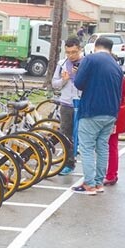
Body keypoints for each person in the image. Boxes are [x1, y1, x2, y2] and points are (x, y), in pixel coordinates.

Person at [72, 37, 124, 195]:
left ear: (95, 46)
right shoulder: (116, 66)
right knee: (103, 147)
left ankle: (89, 184)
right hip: (111, 113)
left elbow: (79, 83)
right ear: (110, 48)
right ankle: (99, 182)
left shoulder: (90, 59)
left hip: (92, 110)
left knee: (86, 148)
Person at [51, 37, 83, 176]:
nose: (71, 55)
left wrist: (78, 75)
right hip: (66, 104)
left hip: (81, 103)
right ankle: (69, 162)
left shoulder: (86, 62)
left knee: (83, 134)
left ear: (80, 49)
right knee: (65, 134)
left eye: (74, 52)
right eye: (68, 52)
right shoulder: (62, 63)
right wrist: (64, 80)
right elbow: (54, 84)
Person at [104, 76, 125, 186]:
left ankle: (110, 174)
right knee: (112, 145)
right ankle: (112, 174)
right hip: (117, 112)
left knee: (110, 146)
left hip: (112, 112)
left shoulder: (110, 77)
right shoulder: (120, 76)